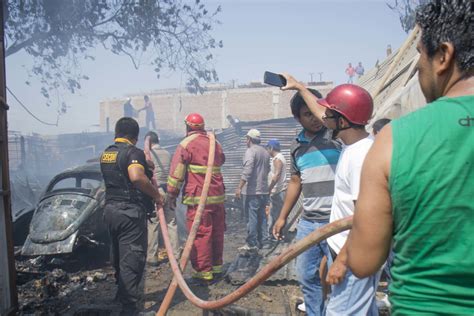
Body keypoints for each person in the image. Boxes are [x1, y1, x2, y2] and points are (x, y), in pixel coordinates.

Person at [347, 1, 474, 314]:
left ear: (443, 56)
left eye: (420, 54)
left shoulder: (395, 139)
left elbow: (363, 262)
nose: (418, 66)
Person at [280, 75, 377, 315]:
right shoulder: (353, 145)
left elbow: (363, 219)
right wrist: (300, 87)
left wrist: (342, 260)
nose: (322, 119)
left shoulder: (357, 157)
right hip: (342, 243)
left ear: (342, 121)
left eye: (329, 116)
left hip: (352, 252)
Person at [272, 89, 341, 316]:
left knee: (339, 278)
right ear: (298, 118)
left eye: (315, 111)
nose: (313, 118)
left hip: (337, 221)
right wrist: (282, 217)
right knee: (307, 276)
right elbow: (295, 181)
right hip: (309, 222)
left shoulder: (337, 136)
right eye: (306, 114)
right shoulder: (297, 147)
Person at [100, 117, 163, 315]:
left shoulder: (107, 153)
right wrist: (157, 195)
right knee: (132, 259)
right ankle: (129, 310)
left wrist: (147, 165)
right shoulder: (133, 152)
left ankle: (121, 295)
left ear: (116, 133)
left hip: (110, 211)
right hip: (129, 213)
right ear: (135, 137)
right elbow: (136, 177)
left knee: (118, 256)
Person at [167, 113, 226, 283]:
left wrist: (172, 193)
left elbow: (177, 173)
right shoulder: (215, 142)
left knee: (201, 234)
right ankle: (216, 268)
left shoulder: (186, 144)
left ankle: (203, 272)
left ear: (187, 127)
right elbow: (221, 160)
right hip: (217, 196)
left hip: (199, 197)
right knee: (216, 232)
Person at [236, 129, 271, 252]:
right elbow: (268, 169)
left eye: (246, 139)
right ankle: (264, 242)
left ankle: (251, 243)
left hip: (252, 192)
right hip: (263, 191)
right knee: (262, 217)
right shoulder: (265, 152)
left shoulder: (250, 151)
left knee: (252, 217)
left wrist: (240, 187)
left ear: (249, 139)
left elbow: (248, 170)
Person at [144, 131, 175, 266]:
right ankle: (176, 254)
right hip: (168, 189)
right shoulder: (167, 153)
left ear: (149, 142)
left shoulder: (149, 155)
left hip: (156, 191)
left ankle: (152, 257)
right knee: (171, 222)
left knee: (153, 223)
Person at [265, 139, 287, 235]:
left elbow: (277, 175)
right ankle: (274, 234)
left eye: (267, 149)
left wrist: (269, 189)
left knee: (275, 215)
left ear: (271, 148)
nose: (267, 151)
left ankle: (275, 235)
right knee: (275, 214)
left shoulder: (277, 159)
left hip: (278, 191)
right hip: (278, 191)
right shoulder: (279, 157)